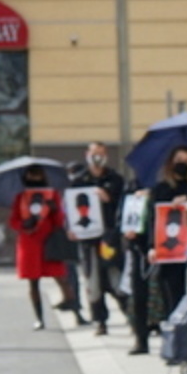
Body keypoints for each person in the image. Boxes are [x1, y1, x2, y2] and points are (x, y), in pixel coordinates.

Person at [129, 145, 187, 354]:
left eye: (186, 160)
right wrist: (152, 246)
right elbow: (152, 220)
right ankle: (163, 339)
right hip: (167, 251)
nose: (182, 164)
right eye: (178, 159)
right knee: (167, 294)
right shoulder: (160, 189)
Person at [7, 167, 78, 329]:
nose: (35, 179)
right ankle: (39, 318)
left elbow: (60, 221)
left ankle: (76, 312)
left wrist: (54, 210)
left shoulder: (51, 195)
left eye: (38, 175)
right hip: (29, 244)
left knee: (62, 278)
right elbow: (13, 220)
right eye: (31, 175)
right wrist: (23, 224)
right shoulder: (20, 197)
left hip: (49, 243)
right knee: (33, 283)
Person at [75, 141, 129, 336]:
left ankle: (130, 316)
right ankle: (100, 321)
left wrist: (108, 198)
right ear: (87, 154)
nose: (97, 157)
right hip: (88, 240)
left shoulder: (115, 179)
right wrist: (72, 229)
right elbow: (71, 208)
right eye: (94, 153)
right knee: (93, 282)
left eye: (101, 154)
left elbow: (123, 206)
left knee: (116, 279)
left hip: (110, 238)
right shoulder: (79, 180)